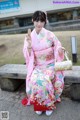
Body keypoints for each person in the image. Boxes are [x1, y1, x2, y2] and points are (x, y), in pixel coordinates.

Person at [23, 10, 64, 116]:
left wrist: (59, 50)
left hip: (50, 64)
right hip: (38, 65)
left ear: (45, 22)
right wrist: (28, 46)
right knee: (35, 79)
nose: (39, 23)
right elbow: (28, 55)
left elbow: (57, 45)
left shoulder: (50, 34)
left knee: (44, 79)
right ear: (32, 20)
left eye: (41, 21)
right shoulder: (29, 37)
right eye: (37, 20)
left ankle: (48, 105)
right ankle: (40, 105)